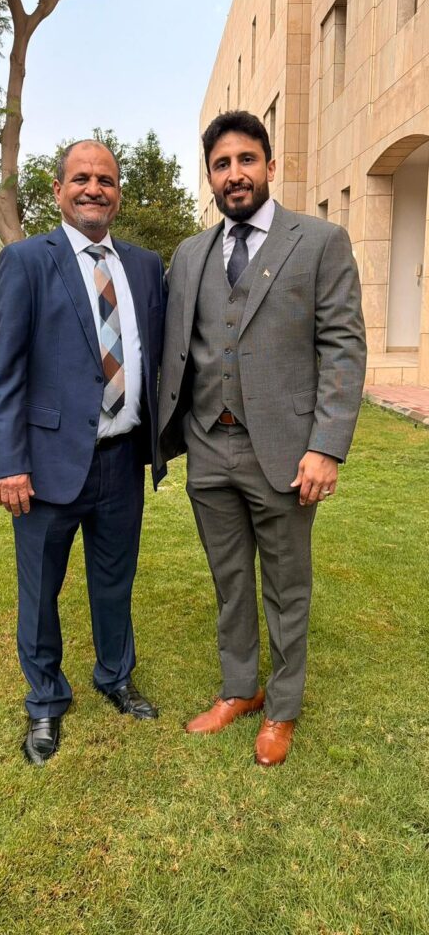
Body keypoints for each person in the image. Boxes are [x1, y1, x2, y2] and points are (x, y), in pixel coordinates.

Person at [158, 111, 366, 767]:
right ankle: (239, 687)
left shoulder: (320, 241)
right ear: (211, 177)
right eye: (221, 164)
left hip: (284, 449)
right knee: (229, 582)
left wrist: (326, 445)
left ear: (270, 167)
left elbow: (343, 345)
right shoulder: (190, 255)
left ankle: (282, 706)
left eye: (246, 159)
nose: (235, 174)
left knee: (286, 586)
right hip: (208, 446)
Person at [0, 139, 166, 766]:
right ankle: (45, 700)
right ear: (59, 190)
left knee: (115, 580)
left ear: (118, 193)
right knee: (41, 591)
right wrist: (9, 463)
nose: (94, 188)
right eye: (81, 178)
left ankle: (115, 676)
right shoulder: (27, 261)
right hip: (47, 464)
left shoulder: (144, 267)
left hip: (122, 458)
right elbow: (3, 374)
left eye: (106, 180)